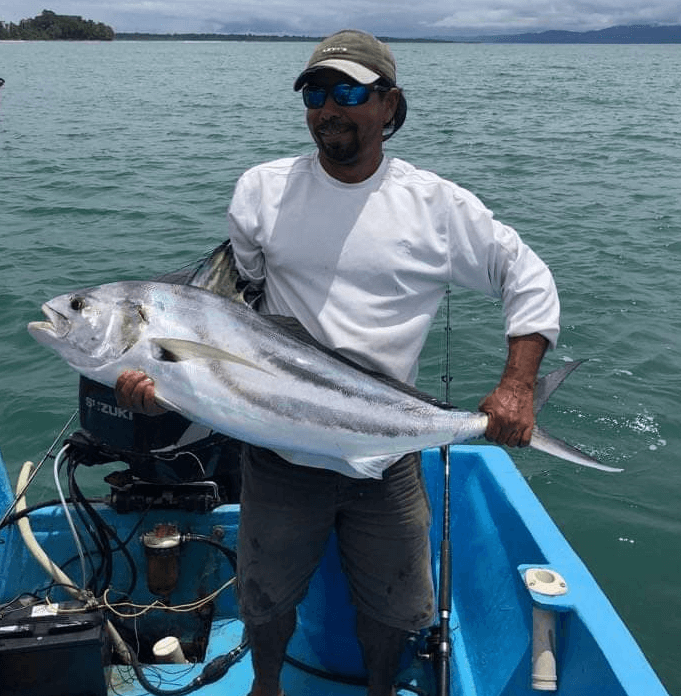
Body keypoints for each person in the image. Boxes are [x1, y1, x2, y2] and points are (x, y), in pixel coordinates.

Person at [116, 29, 559, 696]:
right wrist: (171, 385)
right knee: (262, 598)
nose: (331, 107)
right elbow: (233, 317)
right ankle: (267, 687)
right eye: (316, 93)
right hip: (277, 454)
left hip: (386, 455)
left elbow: (526, 277)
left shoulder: (435, 206)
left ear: (389, 106)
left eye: (350, 91)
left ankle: (379, 689)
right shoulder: (261, 193)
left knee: (395, 610)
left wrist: (517, 386)